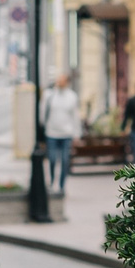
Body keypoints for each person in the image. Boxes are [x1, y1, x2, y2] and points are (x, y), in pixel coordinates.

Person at [41, 72, 82, 202]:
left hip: (66, 134)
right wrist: (44, 126)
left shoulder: (71, 97)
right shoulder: (49, 95)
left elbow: (75, 116)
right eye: (59, 80)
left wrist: (76, 134)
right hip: (52, 133)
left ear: (67, 82)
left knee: (64, 161)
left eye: (62, 81)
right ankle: (53, 183)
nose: (60, 83)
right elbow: (43, 112)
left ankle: (62, 186)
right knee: (52, 159)